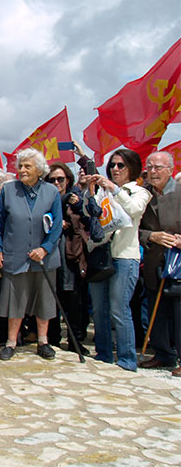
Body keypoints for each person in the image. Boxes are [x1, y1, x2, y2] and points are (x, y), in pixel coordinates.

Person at [0, 148, 62, 361]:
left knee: (44, 300)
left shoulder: (52, 192)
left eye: (27, 166)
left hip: (44, 258)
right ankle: (11, 343)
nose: (22, 170)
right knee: (15, 300)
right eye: (20, 166)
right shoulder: (8, 190)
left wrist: (45, 248)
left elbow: (57, 224)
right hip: (15, 254)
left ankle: (43, 342)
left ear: (39, 170)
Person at [86, 149, 150, 371]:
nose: (115, 169)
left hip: (124, 256)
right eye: (112, 165)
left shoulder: (139, 191)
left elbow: (134, 210)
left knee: (119, 309)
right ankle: (103, 354)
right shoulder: (103, 191)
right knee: (99, 309)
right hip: (101, 254)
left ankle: (126, 359)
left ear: (132, 168)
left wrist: (114, 190)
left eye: (120, 165)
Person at [138, 152, 181, 376]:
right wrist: (151, 237)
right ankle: (163, 353)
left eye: (158, 167)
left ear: (170, 170)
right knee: (158, 310)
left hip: (178, 263)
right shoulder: (144, 194)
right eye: (150, 167)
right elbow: (135, 228)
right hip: (155, 262)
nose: (153, 172)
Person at [44, 162, 90, 354]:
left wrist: (75, 209)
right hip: (50, 253)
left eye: (60, 179)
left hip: (72, 253)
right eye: (52, 179)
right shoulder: (44, 198)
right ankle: (52, 337)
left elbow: (88, 221)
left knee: (73, 299)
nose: (56, 182)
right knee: (52, 297)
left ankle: (75, 340)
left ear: (68, 180)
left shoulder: (75, 198)